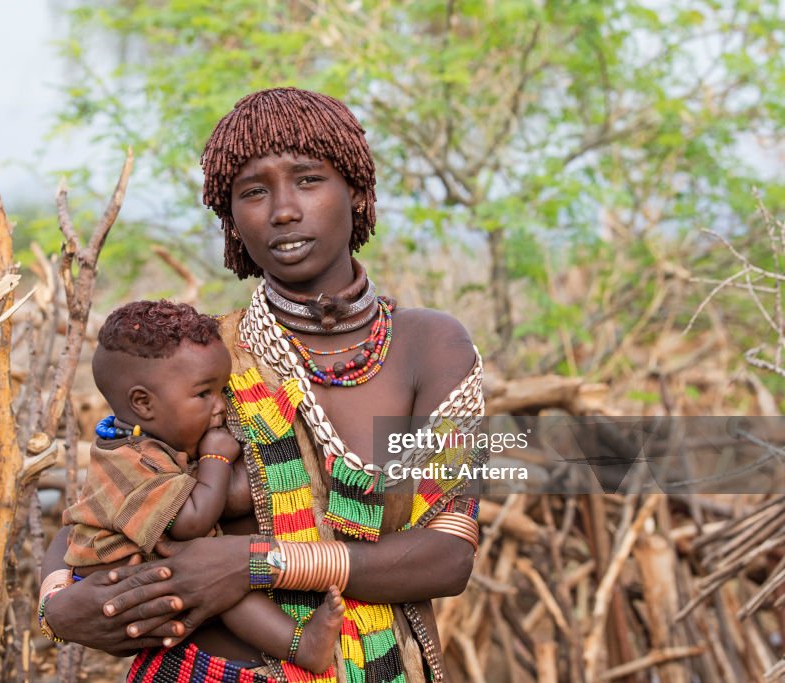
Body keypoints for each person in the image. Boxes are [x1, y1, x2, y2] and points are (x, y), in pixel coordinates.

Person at [40, 87, 486, 682]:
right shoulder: (203, 360)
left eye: (308, 180)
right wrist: (58, 603)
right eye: (254, 191)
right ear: (231, 220)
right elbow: (106, 502)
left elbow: (447, 557)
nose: (282, 210)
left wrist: (251, 563)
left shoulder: (430, 347)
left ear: (355, 191)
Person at [58, 299, 345, 674]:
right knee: (220, 586)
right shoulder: (134, 461)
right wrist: (217, 459)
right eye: (203, 394)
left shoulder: (138, 441)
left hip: (146, 577)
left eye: (222, 391)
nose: (219, 407)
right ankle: (301, 646)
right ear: (143, 403)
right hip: (127, 579)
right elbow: (191, 521)